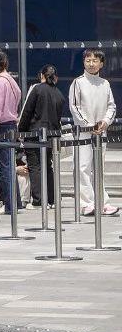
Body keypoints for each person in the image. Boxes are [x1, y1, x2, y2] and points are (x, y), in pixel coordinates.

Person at [69, 49, 117, 216]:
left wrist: (105, 122)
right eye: (88, 60)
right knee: (82, 167)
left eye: (95, 60)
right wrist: (89, 125)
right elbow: (74, 107)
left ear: (101, 64)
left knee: (99, 168)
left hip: (100, 131)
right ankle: (86, 204)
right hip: (82, 132)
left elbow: (112, 106)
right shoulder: (78, 82)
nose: (91, 64)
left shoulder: (105, 84)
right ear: (84, 62)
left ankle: (102, 202)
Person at [19, 65, 65, 208]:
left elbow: (27, 112)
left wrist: (21, 131)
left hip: (34, 133)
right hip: (52, 135)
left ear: (41, 76)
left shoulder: (37, 89)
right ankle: (52, 199)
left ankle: (38, 200)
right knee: (48, 166)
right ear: (55, 78)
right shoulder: (59, 94)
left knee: (35, 166)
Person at [0, 50, 23, 213]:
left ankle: (10, 204)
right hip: (12, 124)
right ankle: (15, 202)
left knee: (5, 167)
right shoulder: (11, 80)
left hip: (1, 126)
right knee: (9, 165)